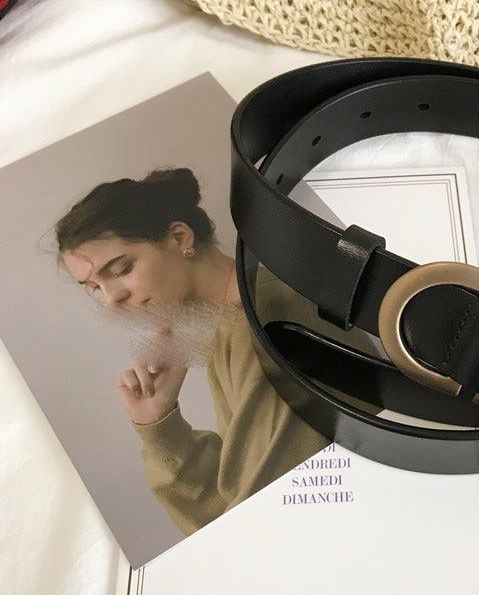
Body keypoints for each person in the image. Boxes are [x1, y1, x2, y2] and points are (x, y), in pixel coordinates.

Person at [55, 167, 331, 536]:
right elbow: (241, 506)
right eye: (95, 288)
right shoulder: (229, 331)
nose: (111, 299)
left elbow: (264, 522)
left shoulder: (263, 320)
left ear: (180, 238)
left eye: (121, 269)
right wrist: (160, 425)